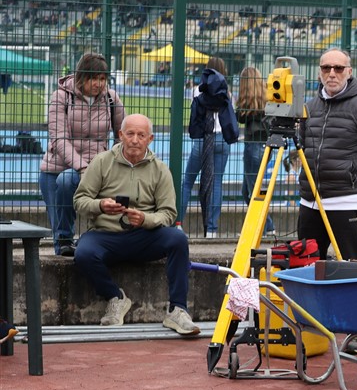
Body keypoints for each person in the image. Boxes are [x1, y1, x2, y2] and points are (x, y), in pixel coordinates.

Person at [72, 114, 200, 336]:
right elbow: (79, 200)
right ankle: (115, 297)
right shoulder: (101, 162)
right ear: (120, 135)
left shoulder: (160, 169)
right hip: (105, 235)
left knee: (178, 239)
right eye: (130, 134)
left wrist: (145, 219)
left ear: (150, 139)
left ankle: (177, 309)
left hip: (144, 236)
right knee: (83, 253)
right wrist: (101, 205)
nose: (134, 140)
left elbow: (169, 213)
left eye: (141, 135)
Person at [298, 48, 357, 260]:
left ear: (349, 72)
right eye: (326, 68)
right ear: (319, 72)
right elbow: (302, 149)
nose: (332, 73)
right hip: (310, 204)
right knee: (304, 267)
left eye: (338, 68)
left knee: (351, 268)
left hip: (347, 205)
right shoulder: (308, 108)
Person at [39, 52, 125, 256]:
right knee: (64, 188)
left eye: (102, 79)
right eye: (93, 78)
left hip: (96, 168)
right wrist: (83, 167)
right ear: (81, 77)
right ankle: (64, 247)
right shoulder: (61, 96)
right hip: (57, 168)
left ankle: (90, 247)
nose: (98, 84)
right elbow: (59, 139)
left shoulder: (111, 98)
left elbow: (122, 134)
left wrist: (111, 160)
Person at [181, 56, 239, 238]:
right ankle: (212, 230)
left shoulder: (197, 90)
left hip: (202, 138)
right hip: (222, 139)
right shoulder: (227, 94)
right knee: (217, 182)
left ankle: (177, 223)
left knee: (188, 181)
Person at [236, 65, 275, 237]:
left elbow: (239, 117)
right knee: (248, 191)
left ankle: (263, 228)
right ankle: (266, 226)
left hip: (253, 145)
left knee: (253, 191)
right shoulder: (267, 97)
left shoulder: (248, 103)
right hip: (265, 144)